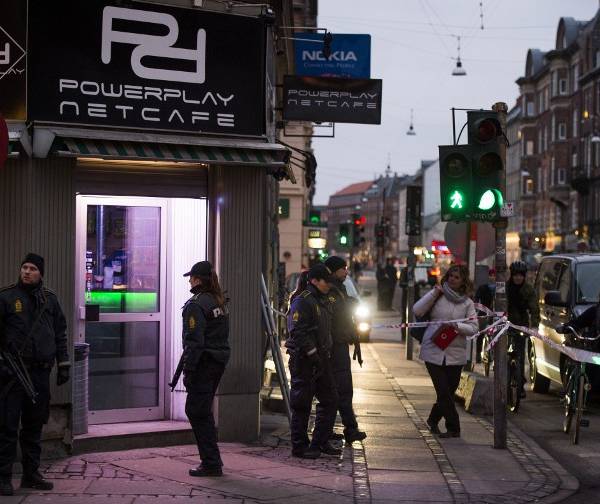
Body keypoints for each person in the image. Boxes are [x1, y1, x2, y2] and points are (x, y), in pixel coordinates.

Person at [0, 253, 70, 496]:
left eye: (32, 269)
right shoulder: (6, 297)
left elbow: (60, 332)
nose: (27, 272)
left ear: (41, 273)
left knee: (34, 426)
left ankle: (31, 474)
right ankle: (3, 477)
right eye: (24, 268)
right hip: (12, 374)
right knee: (7, 427)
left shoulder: (49, 300)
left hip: (40, 373)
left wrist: (64, 364)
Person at [413, 264, 478, 438]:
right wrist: (434, 293)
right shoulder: (438, 295)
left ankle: (433, 419)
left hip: (455, 355)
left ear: (463, 281)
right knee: (442, 391)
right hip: (432, 350)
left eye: (457, 277)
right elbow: (417, 310)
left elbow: (474, 328)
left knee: (448, 392)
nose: (452, 280)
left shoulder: (467, 303)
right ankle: (454, 428)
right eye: (450, 276)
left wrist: (458, 326)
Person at [285, 263, 340, 459]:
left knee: (330, 400)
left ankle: (319, 442)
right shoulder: (303, 301)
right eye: (326, 281)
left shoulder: (323, 300)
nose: (329, 285)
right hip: (304, 360)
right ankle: (299, 447)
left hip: (321, 358)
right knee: (302, 404)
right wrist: (313, 353)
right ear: (315, 281)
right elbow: (298, 332)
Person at [181, 261, 230, 477]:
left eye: (191, 278)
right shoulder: (217, 301)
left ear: (197, 279)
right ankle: (212, 461)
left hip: (203, 363)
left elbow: (194, 342)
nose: (189, 282)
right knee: (202, 410)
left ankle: (211, 462)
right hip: (217, 361)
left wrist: (189, 370)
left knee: (197, 411)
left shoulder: (196, 304)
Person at [324, 256, 367, 444]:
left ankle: (328, 430)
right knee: (342, 389)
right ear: (333, 270)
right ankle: (350, 429)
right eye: (343, 269)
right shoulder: (330, 290)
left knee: (337, 390)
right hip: (335, 347)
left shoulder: (338, 288)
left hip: (339, 345)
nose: (346, 272)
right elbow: (335, 315)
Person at [506, 261, 540, 399]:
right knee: (503, 354)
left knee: (519, 355)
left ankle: (520, 384)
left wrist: (534, 326)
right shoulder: (506, 288)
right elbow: (498, 305)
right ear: (512, 275)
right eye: (516, 275)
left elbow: (534, 309)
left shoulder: (528, 289)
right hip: (506, 324)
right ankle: (503, 378)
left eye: (521, 275)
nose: (518, 278)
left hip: (521, 325)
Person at [474, 268, 496, 363]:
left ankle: (494, 355)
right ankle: (478, 354)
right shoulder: (482, 288)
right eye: (491, 275)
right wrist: (477, 308)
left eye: (494, 275)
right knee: (481, 334)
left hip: (495, 315)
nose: (492, 277)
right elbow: (476, 298)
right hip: (483, 314)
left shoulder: (500, 289)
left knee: (496, 334)